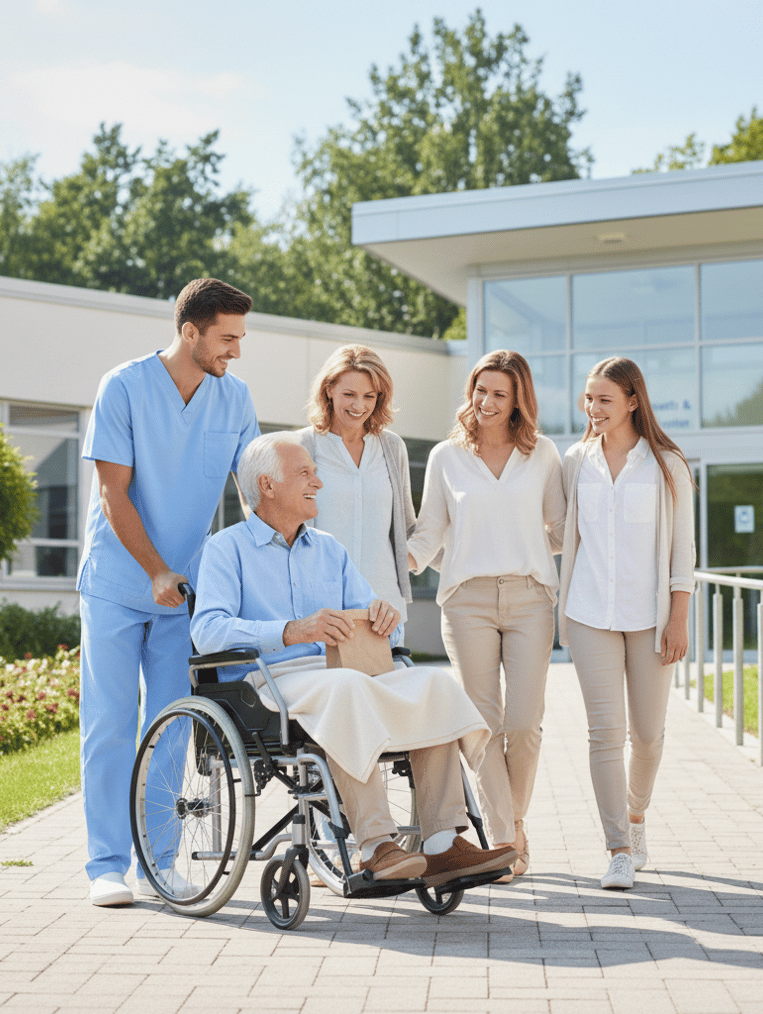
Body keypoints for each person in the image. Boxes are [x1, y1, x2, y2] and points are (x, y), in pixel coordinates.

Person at [191, 433, 518, 885]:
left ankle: (442, 843)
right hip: (270, 681)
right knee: (346, 689)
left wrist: (384, 617)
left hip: (346, 673)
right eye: (305, 473)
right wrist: (290, 631)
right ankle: (376, 844)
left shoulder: (329, 549)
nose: (318, 482)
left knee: (433, 685)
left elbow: (380, 623)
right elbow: (207, 631)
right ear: (266, 485)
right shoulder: (226, 549)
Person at [78, 277, 259, 907]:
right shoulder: (123, 387)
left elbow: (253, 493)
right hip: (120, 581)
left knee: (172, 726)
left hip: (186, 592)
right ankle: (106, 863)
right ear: (191, 331)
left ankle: (158, 862)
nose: (236, 350)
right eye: (227, 338)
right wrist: (155, 569)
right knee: (109, 722)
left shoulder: (234, 399)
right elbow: (113, 493)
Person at [406, 350, 565, 881]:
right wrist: (387, 563)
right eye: (480, 390)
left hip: (530, 598)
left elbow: (564, 530)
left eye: (500, 393)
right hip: (467, 598)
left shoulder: (542, 455)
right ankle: (506, 839)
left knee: (523, 725)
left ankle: (511, 824)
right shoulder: (448, 457)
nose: (487, 402)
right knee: (481, 723)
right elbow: (429, 531)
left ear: (519, 399)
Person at [558, 356, 695, 890]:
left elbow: (682, 550)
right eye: (589, 399)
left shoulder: (667, 465)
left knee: (649, 736)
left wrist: (677, 618)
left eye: (604, 400)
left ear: (633, 401)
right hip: (590, 611)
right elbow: (560, 528)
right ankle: (617, 848)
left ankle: (636, 817)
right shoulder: (576, 460)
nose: (593, 409)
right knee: (604, 734)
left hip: (651, 618)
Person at [295, 345, 415, 637]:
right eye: (349, 394)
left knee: (386, 683)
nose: (359, 405)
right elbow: (287, 527)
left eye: (369, 396)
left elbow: (407, 525)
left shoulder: (392, 448)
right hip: (323, 606)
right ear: (329, 391)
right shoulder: (303, 446)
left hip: (385, 605)